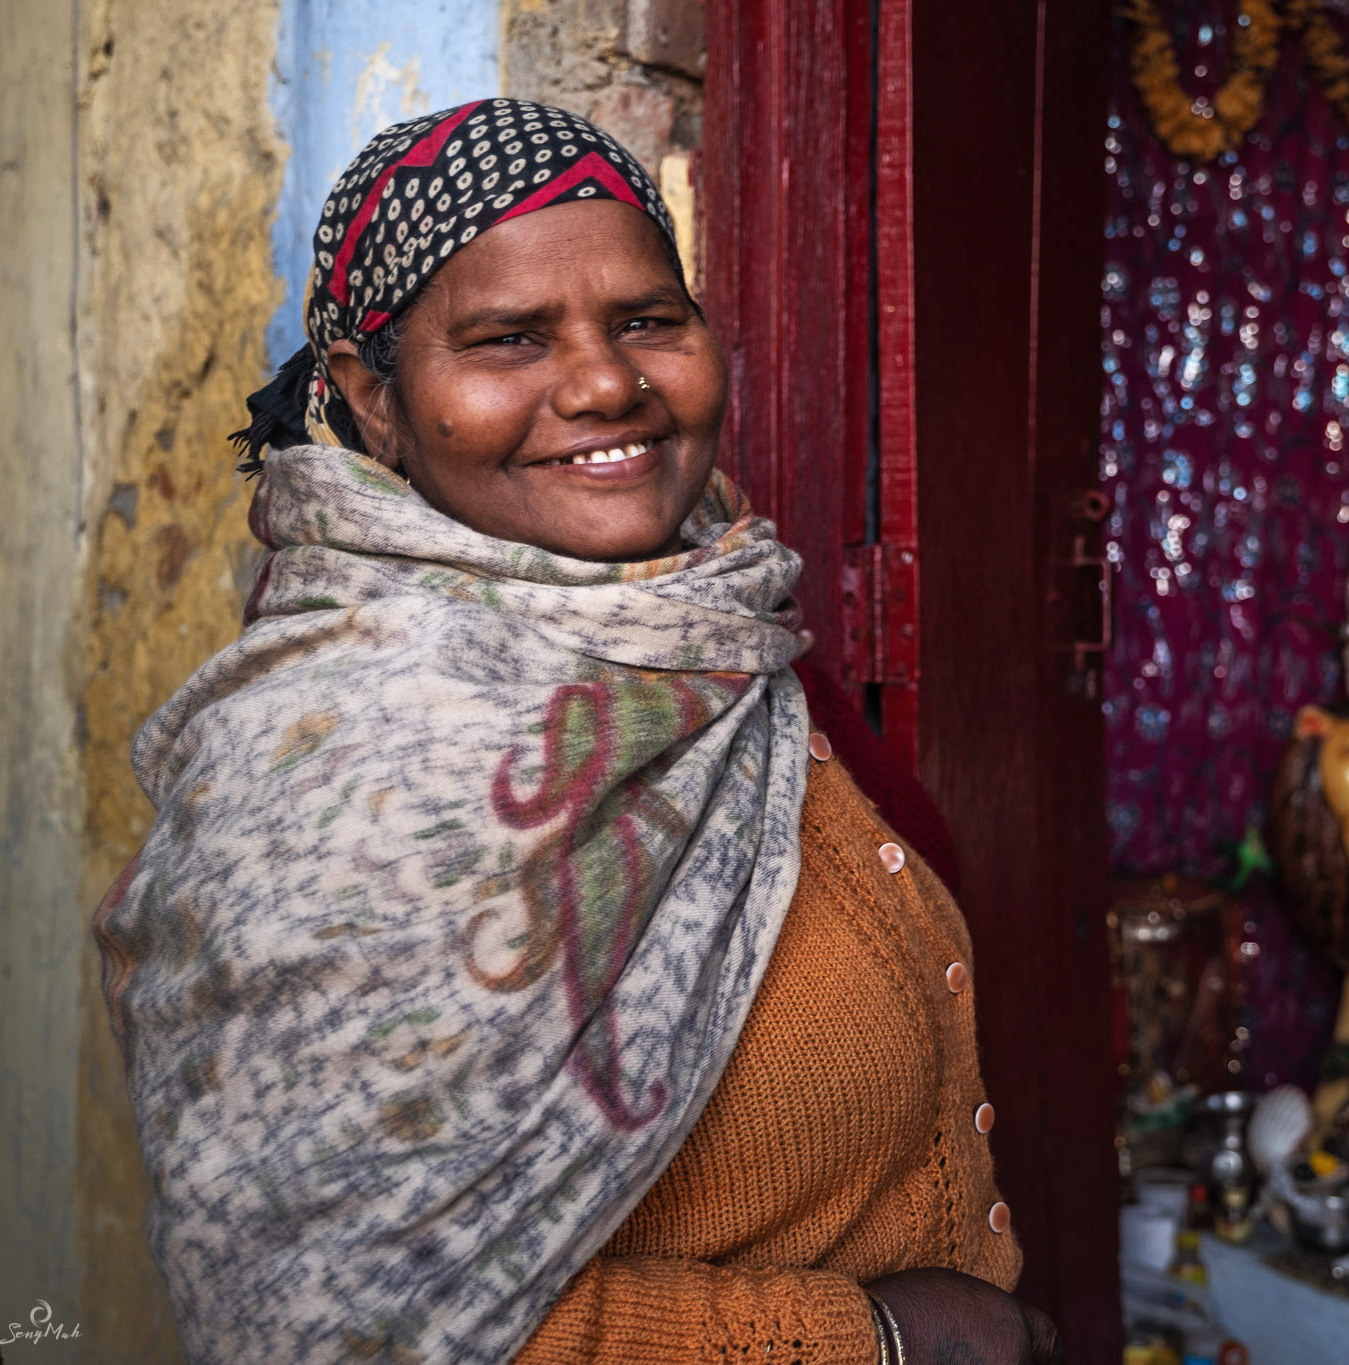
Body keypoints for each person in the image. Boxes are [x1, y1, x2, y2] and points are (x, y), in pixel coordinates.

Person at [92, 98, 1056, 1365]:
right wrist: (878, 1340)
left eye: (648, 320)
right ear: (371, 401)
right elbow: (340, 1333)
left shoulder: (717, 622)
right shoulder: (334, 770)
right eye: (506, 339)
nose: (607, 385)